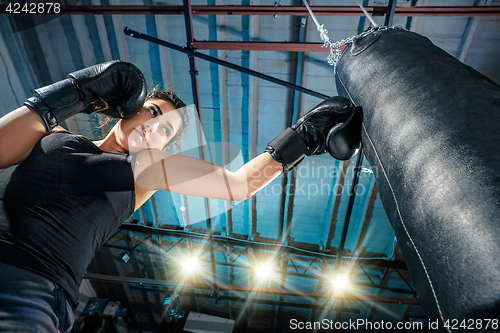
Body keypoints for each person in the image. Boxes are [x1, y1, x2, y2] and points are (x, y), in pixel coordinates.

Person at [0, 61, 360, 332]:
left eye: (167, 131)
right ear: (128, 105)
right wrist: (81, 93)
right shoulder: (53, 135)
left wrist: (303, 136)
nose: (154, 127)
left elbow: (237, 185)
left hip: (31, 290)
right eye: (153, 112)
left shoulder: (147, 170)